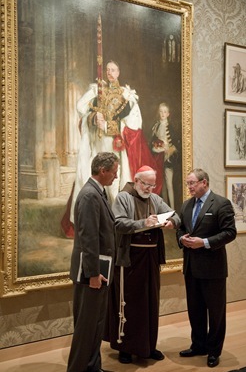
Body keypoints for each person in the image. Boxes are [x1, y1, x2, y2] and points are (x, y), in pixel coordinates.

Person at [104, 165, 180, 364]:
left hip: (151, 258)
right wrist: (143, 223)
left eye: (152, 185)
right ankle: (126, 348)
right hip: (129, 259)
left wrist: (172, 222)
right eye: (146, 184)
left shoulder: (155, 199)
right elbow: (118, 224)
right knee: (129, 304)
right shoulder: (123, 197)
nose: (149, 189)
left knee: (150, 302)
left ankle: (148, 346)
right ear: (136, 181)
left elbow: (175, 216)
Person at [70, 60, 157, 223]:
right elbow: (81, 110)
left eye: (113, 70)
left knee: (114, 181)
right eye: (107, 70)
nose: (110, 73)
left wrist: (109, 125)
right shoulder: (96, 91)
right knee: (95, 179)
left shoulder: (126, 95)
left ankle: (116, 218)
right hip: (97, 145)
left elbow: (134, 124)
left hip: (114, 144)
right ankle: (98, 218)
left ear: (118, 73)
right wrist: (94, 118)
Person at [176, 168, 237, 368]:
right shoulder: (186, 205)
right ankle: (198, 345)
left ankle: (213, 351)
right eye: (188, 183)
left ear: (204, 182)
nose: (189, 187)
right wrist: (181, 238)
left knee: (216, 312)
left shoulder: (221, 204)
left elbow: (230, 233)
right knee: (195, 310)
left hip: (213, 269)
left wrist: (205, 242)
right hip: (191, 268)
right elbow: (181, 229)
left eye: (192, 183)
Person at [67, 152, 119, 372]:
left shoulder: (98, 192)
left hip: (99, 272)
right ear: (103, 170)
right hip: (92, 274)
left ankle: (93, 367)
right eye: (114, 172)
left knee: (96, 325)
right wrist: (93, 274)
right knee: (86, 328)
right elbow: (88, 238)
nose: (116, 177)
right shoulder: (90, 195)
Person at [151, 102, 178, 208]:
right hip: (158, 157)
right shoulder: (156, 126)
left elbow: (176, 143)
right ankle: (165, 208)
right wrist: (156, 147)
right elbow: (152, 141)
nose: (163, 114)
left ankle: (172, 208)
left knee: (169, 184)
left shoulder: (171, 127)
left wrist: (170, 150)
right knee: (161, 185)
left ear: (168, 114)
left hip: (168, 158)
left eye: (165, 112)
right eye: (161, 111)